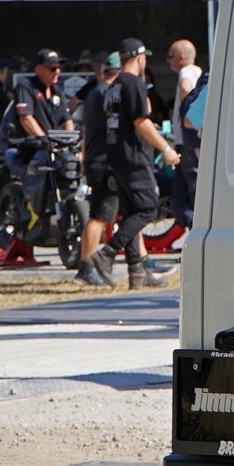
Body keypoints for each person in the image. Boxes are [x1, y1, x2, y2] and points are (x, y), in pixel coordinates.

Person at [82, 40, 177, 289]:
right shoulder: (133, 82)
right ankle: (106, 254)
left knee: (132, 213)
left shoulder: (113, 87)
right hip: (134, 157)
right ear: (139, 58)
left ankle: (138, 273)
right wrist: (166, 148)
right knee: (147, 209)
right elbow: (140, 121)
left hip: (116, 157)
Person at [74, 53, 119, 285]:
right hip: (104, 160)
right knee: (99, 217)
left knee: (104, 214)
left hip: (93, 158)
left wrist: (84, 158)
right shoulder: (108, 94)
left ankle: (142, 263)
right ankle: (87, 267)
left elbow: (86, 131)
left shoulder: (94, 92)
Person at [166, 39, 203, 232]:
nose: (168, 61)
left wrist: (187, 112)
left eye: (170, 56)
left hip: (186, 142)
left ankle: (197, 227)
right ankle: (194, 226)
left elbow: (185, 88)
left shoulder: (186, 71)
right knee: (180, 195)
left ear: (181, 57)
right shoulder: (200, 72)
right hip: (191, 141)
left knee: (189, 191)